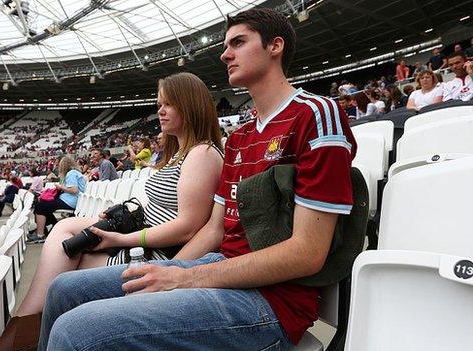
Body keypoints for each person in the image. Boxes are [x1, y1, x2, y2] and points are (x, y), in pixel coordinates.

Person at [38, 7, 356, 351]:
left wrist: (187, 277)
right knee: (64, 290)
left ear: (275, 46)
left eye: (238, 42)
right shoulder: (240, 137)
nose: (225, 54)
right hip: (219, 270)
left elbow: (307, 253)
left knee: (75, 332)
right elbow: (214, 230)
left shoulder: (315, 114)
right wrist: (171, 271)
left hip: (270, 302)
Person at [0, 72, 224, 350]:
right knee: (67, 233)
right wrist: (118, 218)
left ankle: (20, 334)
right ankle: (24, 333)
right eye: (159, 103)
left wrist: (121, 239)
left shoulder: (202, 154)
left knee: (67, 260)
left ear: (191, 105)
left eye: (168, 104)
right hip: (143, 238)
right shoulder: (179, 153)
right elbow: (162, 209)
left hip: (155, 254)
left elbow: (187, 227)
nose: (160, 110)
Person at [27, 156, 86, 242]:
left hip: (70, 201)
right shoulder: (73, 173)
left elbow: (74, 190)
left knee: (40, 205)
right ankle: (48, 227)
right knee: (41, 203)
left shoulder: (71, 173)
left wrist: (61, 187)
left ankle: (40, 234)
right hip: (69, 200)